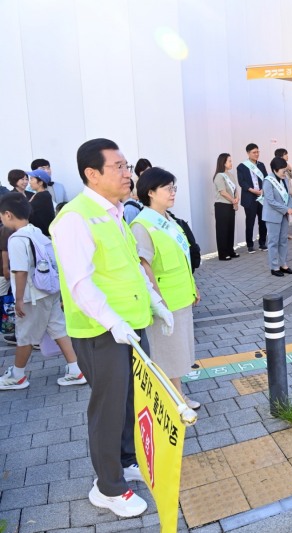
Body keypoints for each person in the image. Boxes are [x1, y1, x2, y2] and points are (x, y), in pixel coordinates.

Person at [50, 138, 174, 518]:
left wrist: (155, 302)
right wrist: (112, 321)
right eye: (118, 166)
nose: (127, 173)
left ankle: (124, 460)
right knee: (107, 408)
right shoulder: (75, 218)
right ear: (92, 173)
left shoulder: (116, 212)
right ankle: (108, 487)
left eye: (127, 165)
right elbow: (79, 282)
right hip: (100, 331)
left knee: (131, 401)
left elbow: (131, 265)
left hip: (130, 325)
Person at [0, 193, 86, 390]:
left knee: (25, 335)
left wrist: (19, 300)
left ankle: (17, 376)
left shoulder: (16, 239)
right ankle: (76, 369)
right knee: (58, 329)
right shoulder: (36, 231)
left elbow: (20, 271)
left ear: (8, 214)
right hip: (49, 289)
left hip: (32, 296)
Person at [131, 168, 200, 409]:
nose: (173, 193)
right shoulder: (142, 225)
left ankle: (177, 395)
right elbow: (144, 266)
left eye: (174, 188)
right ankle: (174, 400)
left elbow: (183, 259)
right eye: (167, 188)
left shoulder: (169, 220)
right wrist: (158, 301)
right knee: (167, 353)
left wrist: (193, 287)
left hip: (182, 296)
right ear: (150, 192)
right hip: (165, 301)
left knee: (178, 350)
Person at [262, 157, 292, 277]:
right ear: (275, 170)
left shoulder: (285, 179)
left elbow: (289, 195)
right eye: (283, 171)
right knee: (273, 242)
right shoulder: (268, 181)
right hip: (272, 216)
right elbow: (270, 201)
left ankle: (283, 264)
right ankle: (274, 266)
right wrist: (286, 209)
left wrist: (290, 208)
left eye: (285, 170)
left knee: (283, 240)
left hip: (284, 215)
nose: (284, 173)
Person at [236, 143, 268, 253]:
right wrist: (252, 190)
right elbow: (242, 182)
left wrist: (263, 190)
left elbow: (266, 178)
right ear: (248, 153)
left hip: (261, 197)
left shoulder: (261, 165)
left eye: (258, 152)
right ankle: (250, 245)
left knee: (263, 221)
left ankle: (262, 243)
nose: (256, 154)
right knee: (250, 222)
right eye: (254, 152)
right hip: (250, 197)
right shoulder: (242, 166)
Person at [212, 153, 240, 260]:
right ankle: (223, 254)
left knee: (230, 228)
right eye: (229, 161)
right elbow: (222, 192)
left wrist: (237, 198)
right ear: (223, 162)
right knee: (222, 230)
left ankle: (230, 250)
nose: (231, 163)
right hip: (222, 206)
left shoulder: (231, 175)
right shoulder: (219, 176)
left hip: (230, 205)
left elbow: (235, 189)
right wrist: (233, 200)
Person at [27, 170, 55, 236]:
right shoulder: (40, 194)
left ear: (40, 182)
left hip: (44, 235)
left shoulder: (42, 196)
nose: (29, 182)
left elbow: (27, 210)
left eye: (32, 179)